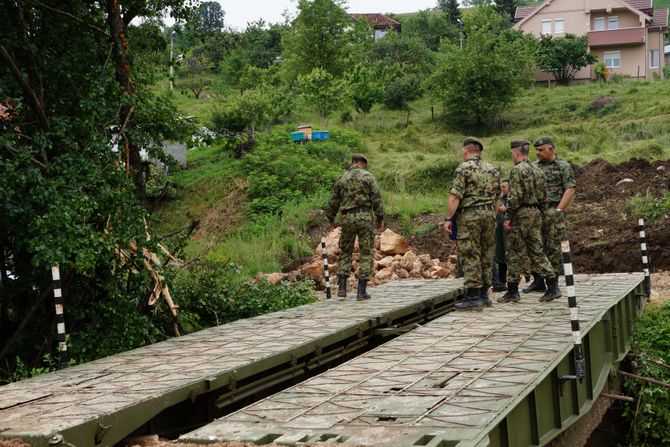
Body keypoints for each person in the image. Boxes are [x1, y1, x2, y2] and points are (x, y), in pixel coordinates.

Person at [498, 139, 559, 303]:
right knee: (537, 250)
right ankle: (553, 286)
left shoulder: (517, 170)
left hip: (521, 214)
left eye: (512, 153)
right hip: (536, 213)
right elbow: (544, 196)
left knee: (513, 251)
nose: (512, 156)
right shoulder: (537, 169)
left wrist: (509, 217)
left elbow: (515, 196)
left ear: (516, 152)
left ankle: (512, 290)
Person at [444, 138, 501, 310]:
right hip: (489, 215)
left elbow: (455, 197)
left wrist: (448, 219)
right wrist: (493, 215)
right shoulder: (493, 169)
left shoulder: (463, 168)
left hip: (469, 216)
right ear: (480, 152)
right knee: (486, 253)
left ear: (466, 152)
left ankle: (473, 296)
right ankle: (484, 295)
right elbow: (498, 198)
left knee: (470, 253)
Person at [326, 154, 384, 301]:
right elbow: (377, 198)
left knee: (345, 250)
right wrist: (380, 218)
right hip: (365, 217)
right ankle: (361, 292)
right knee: (366, 252)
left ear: (352, 162)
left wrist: (331, 219)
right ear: (363, 163)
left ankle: (342, 289)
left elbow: (334, 201)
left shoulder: (341, 178)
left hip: (347, 218)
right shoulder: (368, 177)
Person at [523, 136, 576, 294]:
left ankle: (553, 282)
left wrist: (559, 210)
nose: (537, 153)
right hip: (536, 211)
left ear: (551, 148)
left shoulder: (562, 166)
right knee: (535, 245)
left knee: (552, 247)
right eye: (536, 150)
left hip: (553, 210)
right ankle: (538, 280)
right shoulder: (534, 167)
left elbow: (570, 189)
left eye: (541, 150)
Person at [492, 179, 509, 292]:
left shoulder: (511, 200)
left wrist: (505, 209)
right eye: (501, 187)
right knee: (497, 254)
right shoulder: (499, 199)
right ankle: (498, 281)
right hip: (497, 231)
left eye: (504, 187)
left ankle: (503, 281)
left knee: (505, 254)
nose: (502, 189)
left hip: (506, 232)